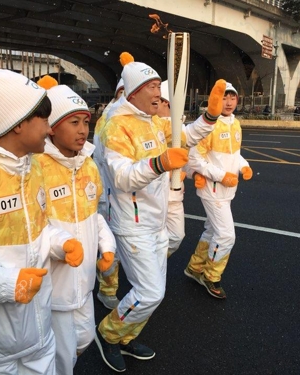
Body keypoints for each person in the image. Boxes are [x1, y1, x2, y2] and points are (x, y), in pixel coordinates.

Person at [0, 54, 84, 375]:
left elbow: (39, 228)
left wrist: (61, 243)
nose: (50, 130)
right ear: (18, 123)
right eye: (45, 121)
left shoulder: (32, 168)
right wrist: (9, 283)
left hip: (39, 331)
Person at [93, 51, 226, 372]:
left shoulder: (150, 121)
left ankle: (125, 336)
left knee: (153, 293)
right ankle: (108, 334)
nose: (157, 92)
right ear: (133, 92)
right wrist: (160, 163)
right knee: (150, 292)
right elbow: (123, 177)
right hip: (130, 221)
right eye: (151, 87)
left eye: (158, 86)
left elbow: (184, 136)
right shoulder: (117, 127)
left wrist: (209, 117)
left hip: (155, 218)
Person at [34, 76, 116, 375]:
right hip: (56, 287)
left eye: (85, 121)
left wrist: (106, 247)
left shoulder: (89, 165)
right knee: (62, 358)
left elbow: (95, 216)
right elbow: (33, 229)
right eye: (74, 123)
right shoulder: (37, 167)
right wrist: (62, 246)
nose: (83, 130)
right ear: (52, 127)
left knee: (84, 338)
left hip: (85, 281)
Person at [183, 82, 253, 299]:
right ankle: (211, 275)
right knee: (226, 236)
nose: (229, 102)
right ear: (216, 100)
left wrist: (244, 165)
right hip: (212, 189)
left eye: (232, 98)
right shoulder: (208, 125)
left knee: (212, 231)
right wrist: (222, 176)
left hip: (228, 189)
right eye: (224, 98)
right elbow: (195, 158)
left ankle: (195, 268)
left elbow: (233, 154)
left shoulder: (235, 124)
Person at [93, 78, 124, 310]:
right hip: (110, 194)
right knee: (110, 243)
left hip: (125, 196)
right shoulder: (112, 119)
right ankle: (107, 289)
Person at [158, 80, 186, 257]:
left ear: (166, 103)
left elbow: (192, 156)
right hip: (153, 194)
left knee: (176, 236)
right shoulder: (149, 126)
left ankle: (152, 263)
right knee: (152, 238)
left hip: (175, 194)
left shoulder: (181, 128)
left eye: (157, 100)